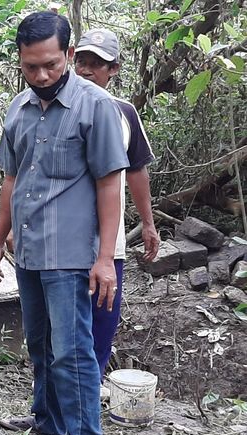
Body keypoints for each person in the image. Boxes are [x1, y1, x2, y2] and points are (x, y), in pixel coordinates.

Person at [0, 11, 128, 435]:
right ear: (20, 63)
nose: (41, 75)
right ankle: (46, 418)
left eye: (51, 64)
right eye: (31, 66)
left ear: (68, 55)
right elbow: (11, 179)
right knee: (40, 341)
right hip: (27, 250)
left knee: (73, 349)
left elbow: (110, 184)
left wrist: (105, 258)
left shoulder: (97, 106)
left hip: (69, 255)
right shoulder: (19, 108)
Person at [73, 28, 159, 384]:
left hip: (109, 244)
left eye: (98, 64)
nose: (88, 70)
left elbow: (136, 171)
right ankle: (50, 408)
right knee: (57, 328)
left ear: (114, 70)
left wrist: (149, 223)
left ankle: (85, 406)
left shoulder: (124, 113)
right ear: (71, 60)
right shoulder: (53, 108)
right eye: (83, 62)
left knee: (101, 324)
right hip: (61, 242)